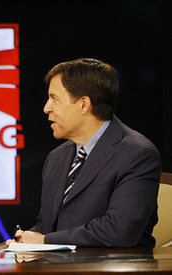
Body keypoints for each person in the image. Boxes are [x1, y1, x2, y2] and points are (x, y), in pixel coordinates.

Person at [13, 58, 161, 247]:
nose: (46, 108)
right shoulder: (56, 158)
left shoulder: (137, 154)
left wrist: (44, 240)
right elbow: (47, 226)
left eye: (54, 99)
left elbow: (119, 231)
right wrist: (24, 240)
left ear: (83, 104)